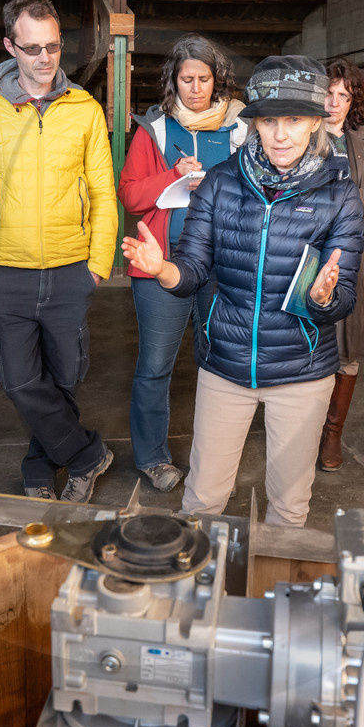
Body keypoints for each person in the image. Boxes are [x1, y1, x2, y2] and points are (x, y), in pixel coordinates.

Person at [122, 55, 364, 527]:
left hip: (302, 370)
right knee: (202, 500)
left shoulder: (340, 194)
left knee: (289, 507)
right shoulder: (221, 182)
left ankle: (275, 596)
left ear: (316, 121)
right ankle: (197, 591)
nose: (280, 135)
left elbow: (343, 298)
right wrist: (164, 270)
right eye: (269, 121)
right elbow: (193, 268)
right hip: (225, 366)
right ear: (252, 123)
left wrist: (321, 296)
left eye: (294, 120)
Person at [0, 0, 118, 502]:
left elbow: (101, 191)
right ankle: (88, 454)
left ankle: (38, 468)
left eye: (53, 46)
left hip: (72, 267)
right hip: (8, 270)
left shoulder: (85, 109)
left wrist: (97, 263)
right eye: (32, 48)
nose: (45, 59)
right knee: (20, 379)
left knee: (63, 378)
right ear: (10, 46)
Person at [117, 35, 247, 493]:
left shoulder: (241, 130)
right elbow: (131, 196)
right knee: (155, 365)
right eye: (186, 79)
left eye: (204, 79)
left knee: (220, 364)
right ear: (173, 81)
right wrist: (173, 176)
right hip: (162, 267)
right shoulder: (154, 131)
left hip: (223, 266)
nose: (195, 88)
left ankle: (214, 458)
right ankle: (153, 458)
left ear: (218, 81)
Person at [317, 59, 364, 471]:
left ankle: (332, 435)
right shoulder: (299, 133)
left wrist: (340, 195)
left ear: (353, 102)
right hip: (304, 252)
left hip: (355, 256)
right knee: (305, 342)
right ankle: (302, 428)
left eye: (343, 95)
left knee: (347, 351)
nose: (334, 102)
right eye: (328, 92)